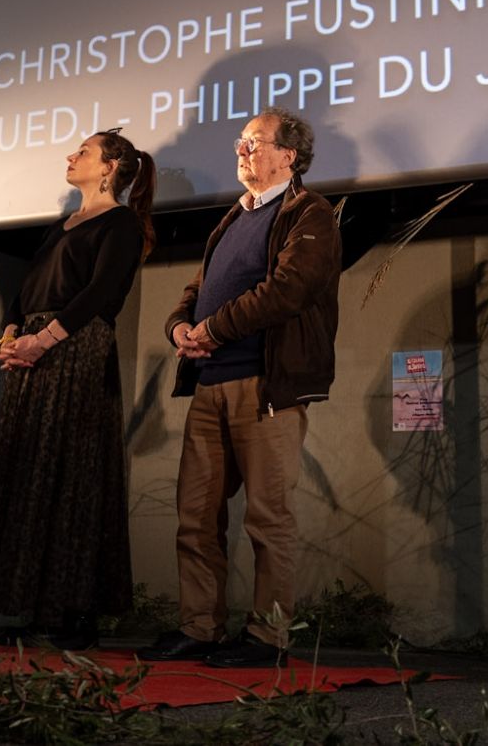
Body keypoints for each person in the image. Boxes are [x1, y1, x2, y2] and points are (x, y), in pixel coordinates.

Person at [141, 107, 339, 668]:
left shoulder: (309, 212)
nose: (241, 151)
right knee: (196, 518)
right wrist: (180, 328)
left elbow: (288, 289)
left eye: (254, 142)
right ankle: (200, 628)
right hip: (210, 385)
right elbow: (195, 292)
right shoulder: (235, 216)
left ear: (288, 155)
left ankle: (268, 637)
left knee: (268, 520)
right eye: (240, 141)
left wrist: (214, 329)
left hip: (265, 387)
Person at [0, 129, 157, 648]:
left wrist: (44, 340)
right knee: (31, 473)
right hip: (35, 350)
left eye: (84, 152)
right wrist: (11, 334)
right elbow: (28, 287)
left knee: (72, 474)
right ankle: (33, 606)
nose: (72, 156)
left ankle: (74, 611)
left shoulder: (120, 223)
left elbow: (101, 293)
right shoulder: (62, 224)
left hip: (75, 347)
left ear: (110, 167)